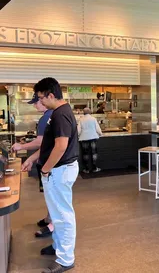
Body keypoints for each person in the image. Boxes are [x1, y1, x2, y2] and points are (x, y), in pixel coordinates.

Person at [22, 77, 79, 273]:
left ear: (51, 95)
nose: (40, 102)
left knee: (63, 215)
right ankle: (57, 246)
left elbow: (61, 147)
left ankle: (65, 259)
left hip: (59, 170)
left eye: (41, 98)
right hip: (56, 170)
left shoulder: (61, 114)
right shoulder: (56, 113)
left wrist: (45, 169)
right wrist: (32, 159)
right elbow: (49, 145)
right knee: (56, 214)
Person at [12, 93, 54, 238]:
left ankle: (52, 226)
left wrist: (20, 146)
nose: (35, 105)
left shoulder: (45, 118)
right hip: (51, 163)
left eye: (37, 101)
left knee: (53, 196)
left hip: (51, 165)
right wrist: (31, 159)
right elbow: (46, 145)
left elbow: (40, 143)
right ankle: (50, 219)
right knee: (51, 194)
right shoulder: (53, 115)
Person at [78, 107, 102, 174]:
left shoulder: (81, 119)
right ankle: (94, 168)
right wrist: (100, 134)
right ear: (90, 112)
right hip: (93, 137)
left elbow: (78, 130)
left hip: (84, 138)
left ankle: (87, 169)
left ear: (84, 112)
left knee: (85, 153)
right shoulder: (93, 119)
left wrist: (77, 136)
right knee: (94, 153)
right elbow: (98, 128)